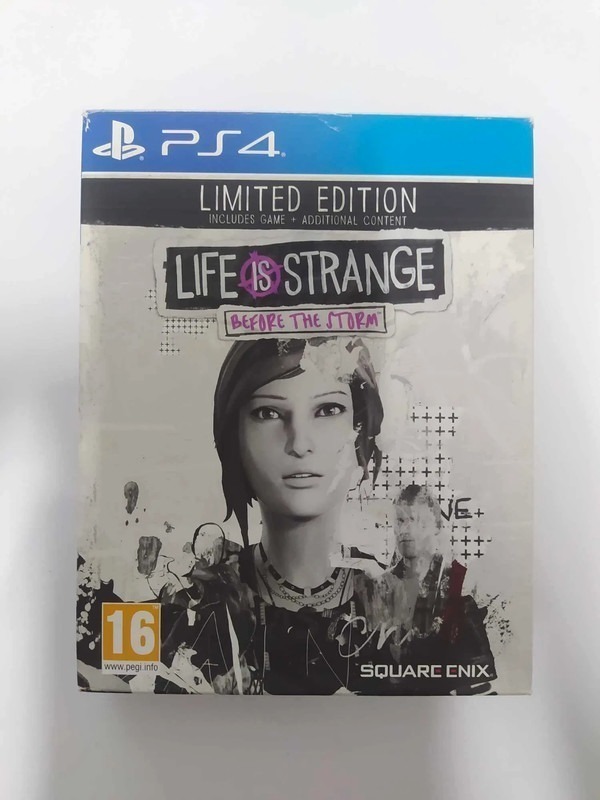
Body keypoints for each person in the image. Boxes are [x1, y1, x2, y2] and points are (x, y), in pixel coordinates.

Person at [154, 336, 497, 695]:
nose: (300, 443)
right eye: (268, 413)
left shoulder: (427, 613)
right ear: (234, 437)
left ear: (361, 432)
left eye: (328, 410)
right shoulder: (192, 611)